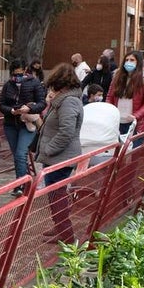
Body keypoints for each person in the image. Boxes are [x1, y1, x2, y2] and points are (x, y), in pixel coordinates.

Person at [25, 63, 83, 242]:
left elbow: (66, 131)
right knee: (54, 195)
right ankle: (60, 227)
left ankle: (66, 235)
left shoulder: (69, 101)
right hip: (56, 157)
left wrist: (49, 149)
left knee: (58, 197)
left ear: (61, 84)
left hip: (60, 157)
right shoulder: (63, 100)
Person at [0, 60, 46, 192]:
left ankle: (21, 185)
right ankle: (25, 180)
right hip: (11, 123)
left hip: (27, 123)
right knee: (17, 156)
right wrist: (11, 110)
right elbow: (1, 104)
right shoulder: (8, 85)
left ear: (25, 70)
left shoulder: (34, 82)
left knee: (20, 154)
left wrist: (29, 108)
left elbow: (42, 103)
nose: (18, 76)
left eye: (20, 73)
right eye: (15, 74)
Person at [107, 51, 144, 144]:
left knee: (134, 154)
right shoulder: (117, 77)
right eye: (127, 60)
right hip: (117, 122)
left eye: (132, 60)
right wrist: (110, 112)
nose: (128, 62)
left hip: (136, 124)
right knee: (118, 154)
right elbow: (109, 97)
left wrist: (136, 116)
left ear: (138, 62)